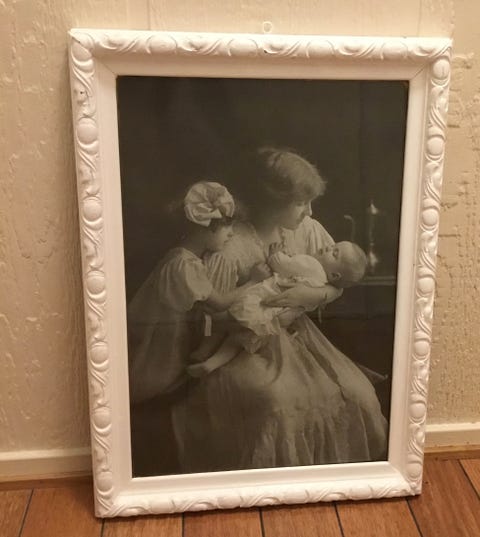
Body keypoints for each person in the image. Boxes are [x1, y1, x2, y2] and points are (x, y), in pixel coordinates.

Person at [168, 147, 388, 473]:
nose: (309, 211)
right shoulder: (231, 247)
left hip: (298, 337)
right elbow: (209, 316)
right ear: (272, 201)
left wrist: (311, 294)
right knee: (277, 401)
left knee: (357, 393)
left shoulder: (306, 229)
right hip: (241, 344)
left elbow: (340, 278)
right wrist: (258, 312)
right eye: (301, 202)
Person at [127, 181, 265, 405]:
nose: (231, 234)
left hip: (174, 331)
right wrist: (254, 282)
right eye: (226, 227)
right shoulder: (182, 265)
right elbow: (219, 303)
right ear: (204, 228)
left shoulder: (187, 259)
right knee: (158, 381)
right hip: (161, 337)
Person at [186, 240, 368, 377]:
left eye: (334, 253)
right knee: (239, 340)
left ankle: (205, 344)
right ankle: (212, 363)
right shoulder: (320, 284)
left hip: (264, 299)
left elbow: (283, 265)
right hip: (272, 319)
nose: (328, 247)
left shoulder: (314, 267)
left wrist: (276, 254)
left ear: (335, 275)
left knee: (227, 317)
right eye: (333, 245)